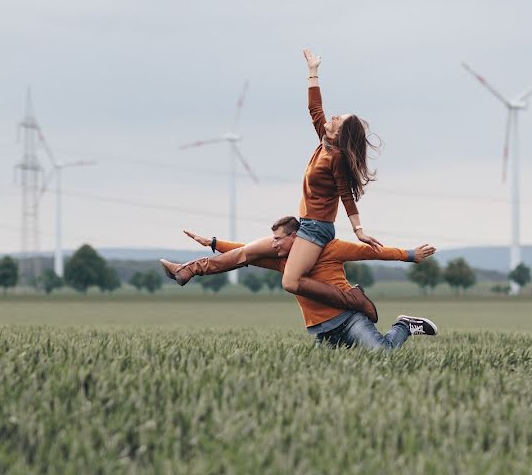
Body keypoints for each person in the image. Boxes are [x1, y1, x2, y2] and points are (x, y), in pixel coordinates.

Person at [160, 49, 382, 321]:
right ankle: (188, 270)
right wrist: (313, 70)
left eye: (339, 119)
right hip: (305, 225)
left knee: (290, 282)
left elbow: (346, 196)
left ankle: (353, 299)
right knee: (245, 253)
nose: (332, 117)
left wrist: (358, 230)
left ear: (341, 133)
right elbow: (314, 108)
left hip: (317, 231)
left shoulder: (336, 158)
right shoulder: (323, 144)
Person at [182, 217, 439, 350]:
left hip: (349, 319)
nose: (273, 244)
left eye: (278, 239)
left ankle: (404, 325)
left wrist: (408, 255)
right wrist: (214, 244)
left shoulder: (331, 248)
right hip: (322, 330)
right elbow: (246, 252)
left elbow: (370, 251)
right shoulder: (282, 261)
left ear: (295, 236)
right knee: (316, 372)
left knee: (383, 355)